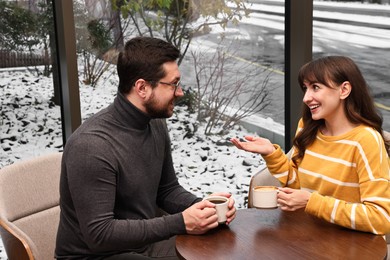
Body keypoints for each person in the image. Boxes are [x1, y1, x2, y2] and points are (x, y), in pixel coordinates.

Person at [55, 36, 236, 259]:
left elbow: (166, 190)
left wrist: (203, 208)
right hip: (98, 255)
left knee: (224, 248)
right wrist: (181, 222)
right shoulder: (91, 146)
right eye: (173, 84)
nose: (179, 93)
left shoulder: (154, 122)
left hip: (145, 244)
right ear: (142, 88)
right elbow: (99, 234)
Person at [231, 56, 390, 235]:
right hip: (308, 235)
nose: (306, 98)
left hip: (350, 244)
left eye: (315, 87)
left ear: (344, 90)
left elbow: (380, 218)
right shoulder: (307, 128)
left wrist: (311, 202)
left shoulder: (366, 140)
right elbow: (297, 186)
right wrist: (271, 154)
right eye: (305, 88)